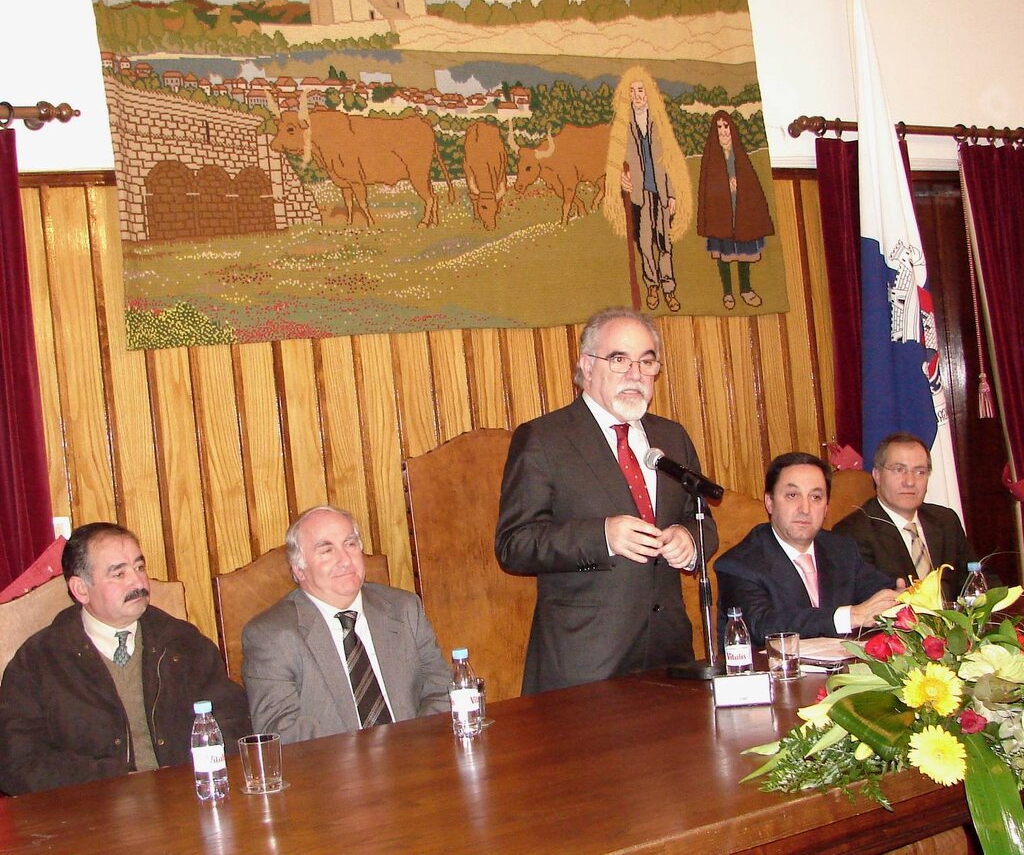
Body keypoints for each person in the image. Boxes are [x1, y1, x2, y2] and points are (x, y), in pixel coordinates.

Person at [496, 306, 718, 694]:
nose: (635, 374)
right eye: (619, 359)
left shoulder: (672, 437)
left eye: (646, 362)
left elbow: (700, 518)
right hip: (586, 659)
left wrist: (689, 539)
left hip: (669, 651)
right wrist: (602, 537)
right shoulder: (544, 439)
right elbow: (514, 545)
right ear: (587, 365)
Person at [0, 522, 250, 795]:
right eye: (119, 574)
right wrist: (117, 780)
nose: (138, 582)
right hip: (92, 813)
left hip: (187, 798)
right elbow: (19, 763)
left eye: (139, 568)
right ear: (81, 589)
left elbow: (233, 720)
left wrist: (187, 774)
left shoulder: (182, 642)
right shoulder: (39, 661)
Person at [242, 506, 449, 743]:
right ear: (299, 569)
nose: (345, 560)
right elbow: (281, 731)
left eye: (350, 544)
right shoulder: (270, 635)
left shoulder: (404, 609)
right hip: (333, 772)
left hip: (417, 758)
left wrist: (412, 746)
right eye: (327, 550)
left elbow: (442, 689)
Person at [714, 452, 901, 647]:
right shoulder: (739, 564)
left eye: (816, 497)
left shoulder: (841, 549)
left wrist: (898, 598)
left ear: (826, 507)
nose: (805, 508)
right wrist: (850, 616)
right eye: (792, 495)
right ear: (769, 502)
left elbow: (879, 590)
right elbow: (762, 626)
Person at [833, 432, 980, 603]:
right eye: (899, 470)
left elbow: (975, 578)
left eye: (920, 472)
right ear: (877, 475)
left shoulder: (945, 520)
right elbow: (868, 602)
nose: (910, 481)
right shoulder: (852, 533)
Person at [604, 67, 693, 313]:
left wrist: (673, 194)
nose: (637, 95)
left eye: (640, 90)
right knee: (644, 243)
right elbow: (615, 160)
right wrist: (621, 178)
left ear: (649, 92)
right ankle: (651, 286)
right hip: (639, 196)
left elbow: (670, 162)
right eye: (632, 91)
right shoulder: (624, 125)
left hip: (662, 194)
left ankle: (669, 288)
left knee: (664, 243)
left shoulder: (659, 124)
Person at [696, 110, 775, 310]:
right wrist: (724, 187)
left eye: (726, 127)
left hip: (740, 214)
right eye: (719, 128)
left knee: (743, 253)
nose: (723, 132)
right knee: (723, 253)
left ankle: (746, 289)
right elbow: (707, 188)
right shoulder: (711, 156)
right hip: (721, 215)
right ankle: (728, 292)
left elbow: (752, 185)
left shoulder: (740, 155)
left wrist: (739, 186)